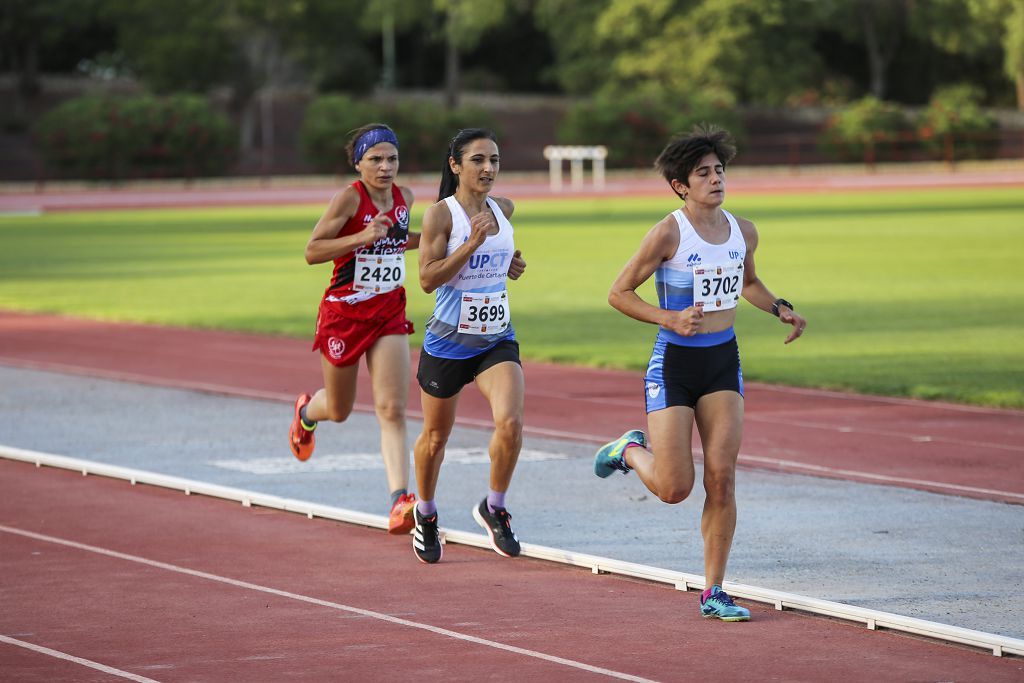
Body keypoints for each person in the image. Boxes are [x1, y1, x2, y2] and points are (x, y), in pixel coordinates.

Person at [594, 125, 807, 621]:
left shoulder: (743, 230)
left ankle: (714, 591)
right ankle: (626, 448)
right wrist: (668, 317)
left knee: (723, 478)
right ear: (680, 186)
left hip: (722, 361)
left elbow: (748, 282)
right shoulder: (668, 232)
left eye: (719, 170)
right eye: (703, 173)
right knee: (674, 488)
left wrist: (779, 308)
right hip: (674, 363)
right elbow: (618, 292)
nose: (716, 179)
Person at [288, 123, 421, 535]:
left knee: (392, 408)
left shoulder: (406, 198)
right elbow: (313, 251)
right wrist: (362, 235)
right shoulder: (349, 198)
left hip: (388, 310)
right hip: (344, 313)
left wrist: (442, 240)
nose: (385, 167)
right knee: (341, 410)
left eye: (392, 159)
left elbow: (399, 241)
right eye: (375, 159)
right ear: (359, 162)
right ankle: (307, 412)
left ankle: (400, 499)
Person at [410, 128, 528, 564]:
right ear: (455, 165)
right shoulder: (441, 216)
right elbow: (427, 279)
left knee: (511, 424)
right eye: (478, 160)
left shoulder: (505, 208)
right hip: (447, 344)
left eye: (494, 160)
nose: (489, 169)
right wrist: (472, 244)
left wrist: (509, 263)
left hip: (496, 339)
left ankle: (494, 508)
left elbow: (499, 257)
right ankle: (425, 514)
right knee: (436, 437)